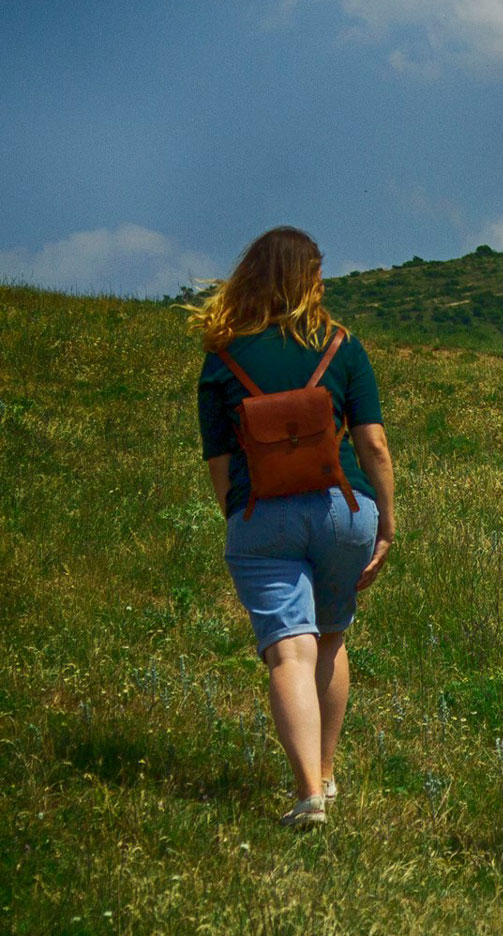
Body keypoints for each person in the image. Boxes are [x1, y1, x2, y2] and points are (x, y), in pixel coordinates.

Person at [189, 227, 395, 830]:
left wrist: (241, 516)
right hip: (344, 510)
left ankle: (307, 794)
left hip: (262, 516)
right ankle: (328, 778)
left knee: (289, 651)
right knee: (330, 638)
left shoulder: (222, 356)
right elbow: (374, 444)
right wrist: (385, 520)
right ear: (308, 279)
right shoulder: (342, 346)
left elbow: (220, 466)